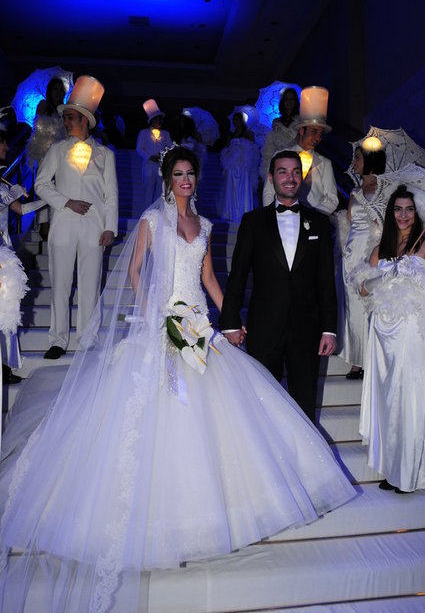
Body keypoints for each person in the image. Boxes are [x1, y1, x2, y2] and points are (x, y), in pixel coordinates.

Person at [0, 145, 356, 612]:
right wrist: (156, 317)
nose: (186, 180)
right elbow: (135, 270)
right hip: (161, 325)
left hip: (199, 327)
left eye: (191, 174)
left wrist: (230, 318)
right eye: (179, 174)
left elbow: (208, 278)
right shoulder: (153, 221)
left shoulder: (205, 226)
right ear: (168, 180)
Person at [220, 149, 338, 423]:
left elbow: (325, 281)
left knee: (304, 404)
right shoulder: (252, 222)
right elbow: (238, 276)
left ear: (302, 178)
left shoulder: (320, 223)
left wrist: (329, 329)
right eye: (283, 172)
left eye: (296, 172)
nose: (290, 178)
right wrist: (230, 322)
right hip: (263, 327)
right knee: (263, 405)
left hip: (307, 329)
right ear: (271, 178)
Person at [34, 75, 118, 360]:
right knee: (60, 283)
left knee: (90, 284)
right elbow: (41, 184)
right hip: (63, 223)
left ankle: (87, 340)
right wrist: (66, 202)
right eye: (65, 118)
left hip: (94, 226)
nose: (66, 122)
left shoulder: (105, 154)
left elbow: (111, 194)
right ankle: (58, 339)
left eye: (70, 118)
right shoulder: (57, 150)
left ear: (85, 120)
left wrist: (110, 227)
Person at [359, 184, 425, 493]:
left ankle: (410, 473)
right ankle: (393, 468)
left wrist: (411, 271)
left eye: (409, 209)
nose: (403, 215)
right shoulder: (380, 248)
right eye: (398, 209)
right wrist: (381, 277)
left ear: (417, 212)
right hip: (382, 331)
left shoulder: (423, 242)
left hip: (410, 329)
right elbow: (362, 288)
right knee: (387, 400)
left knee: (408, 397)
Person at [0, 127, 44, 383]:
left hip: (5, 252)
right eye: (3, 143)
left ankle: (5, 365)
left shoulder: (3, 183)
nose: (7, 148)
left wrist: (50, 200)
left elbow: (22, 209)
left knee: (7, 308)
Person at [340, 139, 387, 379]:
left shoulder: (386, 190)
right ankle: (357, 360)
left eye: (357, 157)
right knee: (353, 306)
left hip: (375, 251)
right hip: (352, 252)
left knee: (372, 303)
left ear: (369, 159)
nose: (354, 162)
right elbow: (349, 220)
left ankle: (373, 358)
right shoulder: (354, 191)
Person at [262, 87, 339, 215]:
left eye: (321, 134)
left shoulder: (325, 163)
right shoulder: (280, 157)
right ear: (302, 131)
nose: (318, 138)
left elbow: (332, 199)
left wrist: (313, 217)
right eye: (314, 132)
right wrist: (272, 218)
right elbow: (269, 192)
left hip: (313, 221)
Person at [26, 77, 67, 240]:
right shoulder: (43, 105)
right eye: (55, 89)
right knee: (44, 186)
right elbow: (38, 128)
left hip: (61, 155)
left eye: (60, 90)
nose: (58, 93)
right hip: (44, 152)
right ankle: (44, 223)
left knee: (59, 187)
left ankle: (56, 221)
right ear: (50, 91)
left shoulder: (64, 110)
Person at [219, 112, 259, 221]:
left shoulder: (248, 133)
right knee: (232, 188)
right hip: (232, 166)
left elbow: (253, 149)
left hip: (244, 166)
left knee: (243, 187)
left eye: (237, 119)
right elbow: (227, 149)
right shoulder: (231, 135)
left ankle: (244, 210)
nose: (235, 122)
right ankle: (231, 212)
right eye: (234, 120)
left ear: (241, 121)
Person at [136, 99, 173, 206]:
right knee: (148, 191)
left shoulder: (166, 134)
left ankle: (158, 212)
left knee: (160, 192)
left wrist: (163, 156)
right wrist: (149, 157)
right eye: (158, 119)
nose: (160, 121)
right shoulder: (143, 133)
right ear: (152, 120)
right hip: (148, 165)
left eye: (161, 119)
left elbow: (170, 147)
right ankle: (147, 213)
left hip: (161, 166)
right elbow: (139, 148)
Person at [260, 88, 300, 185]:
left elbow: (301, 142)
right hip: (277, 161)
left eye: (291, 99)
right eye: (286, 99)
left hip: (294, 159)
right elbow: (271, 145)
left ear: (295, 101)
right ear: (282, 102)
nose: (289, 102)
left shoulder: (301, 121)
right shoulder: (276, 121)